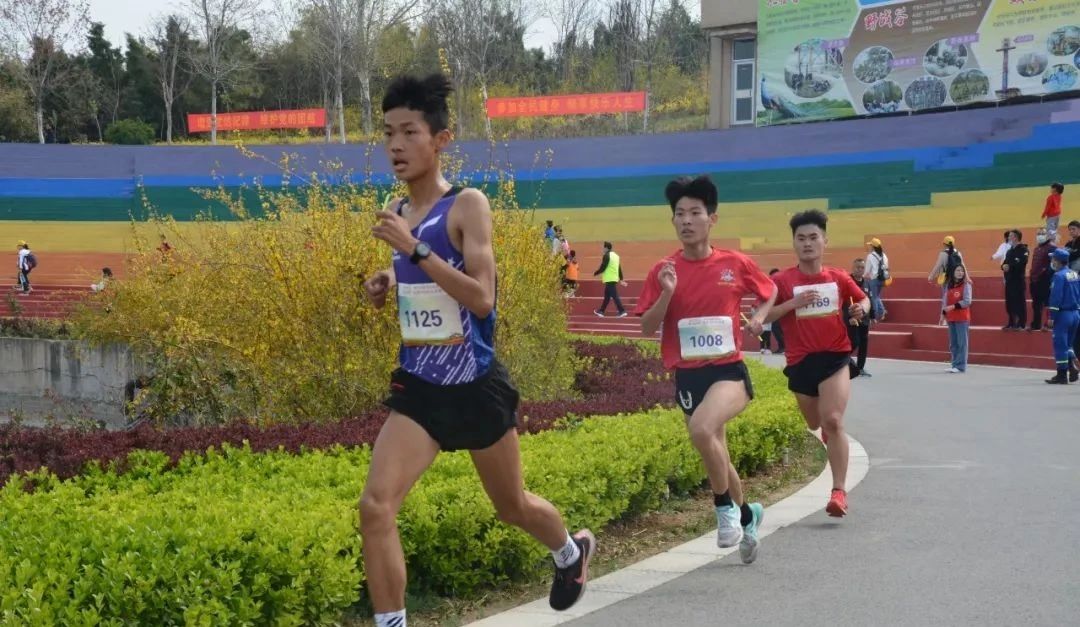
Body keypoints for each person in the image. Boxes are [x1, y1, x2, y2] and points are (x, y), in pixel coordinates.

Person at [359, 74, 595, 627]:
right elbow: (425, 284)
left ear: (440, 139)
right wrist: (386, 283)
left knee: (512, 506)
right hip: (420, 388)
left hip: (474, 385)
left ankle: (570, 551)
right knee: (375, 506)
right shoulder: (398, 209)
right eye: (388, 133)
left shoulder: (467, 205)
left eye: (409, 132)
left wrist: (413, 250)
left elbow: (482, 299)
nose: (395, 145)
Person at [635, 175, 776, 563]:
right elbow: (646, 326)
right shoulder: (663, 270)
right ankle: (748, 515)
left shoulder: (734, 263)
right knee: (718, 455)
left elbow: (770, 291)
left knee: (701, 429)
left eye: (695, 212)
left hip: (728, 372)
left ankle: (723, 510)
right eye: (679, 213)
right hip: (688, 376)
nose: (686, 220)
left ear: (712, 219)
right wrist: (667, 293)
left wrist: (759, 317)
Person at [766, 210, 870, 518]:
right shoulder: (781, 281)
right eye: (801, 238)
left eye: (813, 237)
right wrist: (792, 304)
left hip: (835, 356)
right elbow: (764, 314)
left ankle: (838, 492)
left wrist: (860, 310)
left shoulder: (838, 277)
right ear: (794, 243)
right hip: (800, 362)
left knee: (834, 420)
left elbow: (863, 299)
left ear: (825, 241)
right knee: (815, 423)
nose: (808, 243)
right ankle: (826, 432)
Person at [1045, 247, 1080, 385]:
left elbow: (1056, 298)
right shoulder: (1074, 274)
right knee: (1068, 344)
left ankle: (1062, 374)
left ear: (1058, 261)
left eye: (1053, 259)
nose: (1052, 261)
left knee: (1060, 345)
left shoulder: (1058, 276)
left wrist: (1052, 316)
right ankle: (1072, 368)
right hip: (1075, 313)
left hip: (1063, 315)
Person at [941, 264, 973, 373]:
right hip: (951, 318)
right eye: (958, 270)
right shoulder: (948, 285)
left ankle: (960, 366)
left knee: (962, 343)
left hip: (962, 318)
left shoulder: (966, 284)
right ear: (953, 272)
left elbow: (967, 301)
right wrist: (943, 314)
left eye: (962, 271)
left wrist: (953, 306)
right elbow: (945, 301)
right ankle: (954, 364)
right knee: (953, 343)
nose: (960, 273)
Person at [848, 258, 873, 377]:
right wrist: (849, 317)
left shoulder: (867, 283)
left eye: (862, 267)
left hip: (864, 319)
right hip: (852, 320)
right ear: (853, 268)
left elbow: (870, 299)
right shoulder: (848, 281)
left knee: (864, 343)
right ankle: (842, 362)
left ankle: (860, 368)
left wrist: (872, 315)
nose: (860, 270)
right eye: (857, 267)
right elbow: (844, 302)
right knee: (854, 342)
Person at [1001, 229, 1029, 330]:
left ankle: (1021, 323)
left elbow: (1022, 262)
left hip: (1018, 280)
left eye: (1010, 236)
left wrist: (1010, 267)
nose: (1009, 238)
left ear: (1016, 237)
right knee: (1010, 303)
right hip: (1009, 281)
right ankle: (1011, 322)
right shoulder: (1009, 251)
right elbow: (1004, 263)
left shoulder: (1023, 250)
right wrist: (1003, 266)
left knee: (1019, 302)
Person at [1029, 227, 1055, 331]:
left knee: (1047, 303)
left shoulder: (1052, 248)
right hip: (1034, 280)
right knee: (1036, 304)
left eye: (1042, 234)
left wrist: (1045, 273)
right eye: (1038, 234)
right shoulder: (1037, 249)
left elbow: (1053, 265)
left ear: (1047, 235)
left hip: (1045, 280)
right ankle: (1036, 324)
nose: (1040, 236)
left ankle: (1048, 324)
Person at [593, 241, 628, 317]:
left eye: (603, 247)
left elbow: (603, 267)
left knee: (615, 296)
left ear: (606, 248)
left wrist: (596, 273)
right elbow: (619, 268)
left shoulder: (606, 255)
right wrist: (621, 278)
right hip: (614, 278)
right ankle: (601, 311)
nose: (603, 249)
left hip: (609, 279)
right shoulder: (616, 256)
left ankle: (622, 311)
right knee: (607, 296)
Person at [863, 238, 889, 322]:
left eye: (871, 245)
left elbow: (867, 270)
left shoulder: (870, 256)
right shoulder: (884, 255)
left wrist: (863, 276)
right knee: (877, 296)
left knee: (873, 297)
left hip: (874, 279)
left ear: (873, 247)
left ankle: (876, 315)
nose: (870, 247)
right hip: (882, 279)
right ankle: (882, 311)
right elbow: (886, 267)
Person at [766, 268, 786, 354]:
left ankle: (783, 347)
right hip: (776, 310)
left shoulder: (782, 284)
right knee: (776, 329)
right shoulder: (772, 285)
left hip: (781, 310)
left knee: (777, 328)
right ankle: (782, 347)